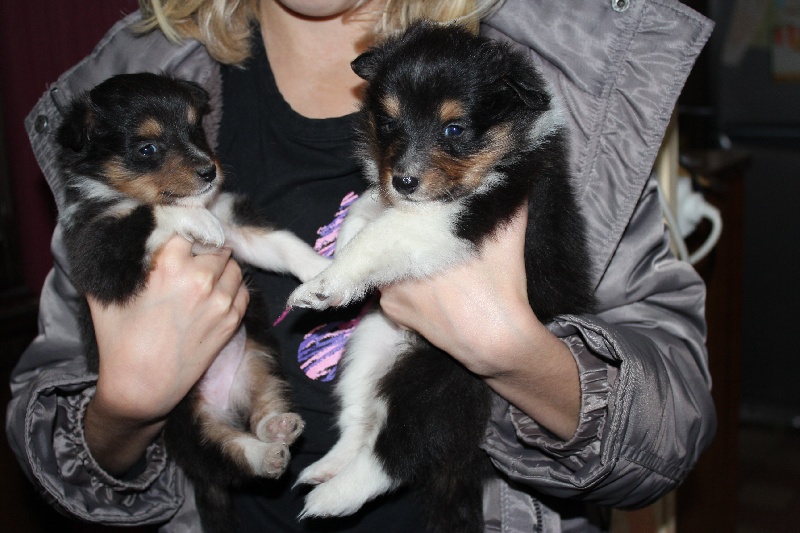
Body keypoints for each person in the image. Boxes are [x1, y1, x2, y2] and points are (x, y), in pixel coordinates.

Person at [6, 0, 716, 531]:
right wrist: (121, 409)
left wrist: (517, 352)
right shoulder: (124, 92)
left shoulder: (557, 67)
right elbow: (50, 430)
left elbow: (673, 420)